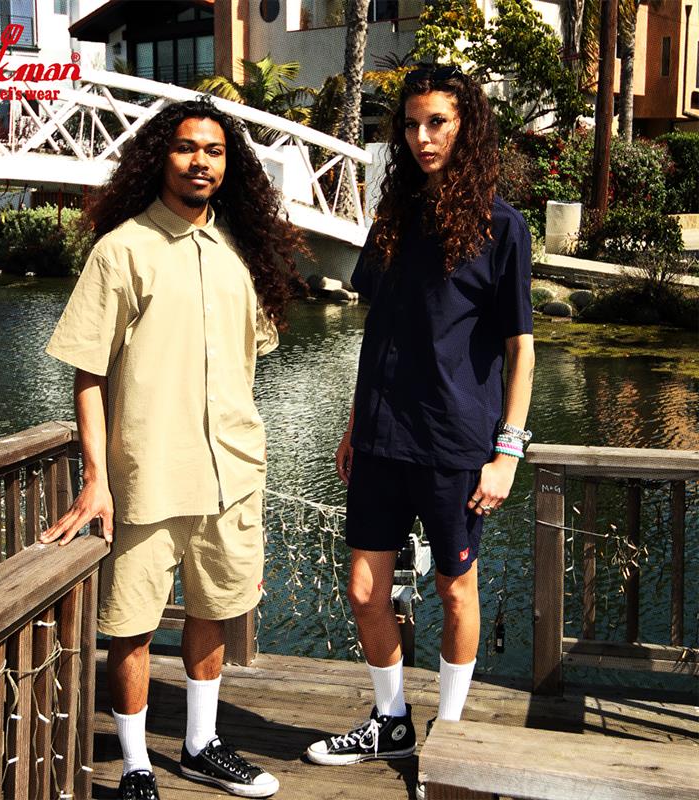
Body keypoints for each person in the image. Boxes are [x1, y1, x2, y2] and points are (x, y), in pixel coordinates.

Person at [41, 97, 304, 800]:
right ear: (160, 157)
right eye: (186, 147)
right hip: (148, 476)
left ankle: (200, 746)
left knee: (214, 610)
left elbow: (247, 363)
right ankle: (134, 766)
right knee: (129, 626)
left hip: (232, 477)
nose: (200, 162)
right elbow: (88, 373)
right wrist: (96, 478)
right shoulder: (121, 250)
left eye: (214, 151)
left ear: (229, 164)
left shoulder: (238, 253)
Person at [305, 65, 535, 800]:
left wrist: (508, 451)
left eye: (437, 122)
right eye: (410, 124)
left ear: (466, 126)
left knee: (456, 590)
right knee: (363, 589)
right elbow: (377, 331)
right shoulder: (394, 217)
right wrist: (353, 424)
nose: (422, 137)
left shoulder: (503, 226)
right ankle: (393, 719)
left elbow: (521, 348)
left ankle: (453, 736)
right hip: (379, 439)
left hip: (454, 443)